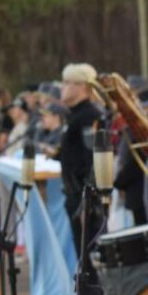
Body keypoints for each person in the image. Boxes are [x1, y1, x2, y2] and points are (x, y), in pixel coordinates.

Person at [59, 63, 105, 254]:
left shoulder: (88, 116)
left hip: (84, 197)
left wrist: (89, 203)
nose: (63, 88)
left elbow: (93, 161)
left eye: (68, 83)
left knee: (89, 255)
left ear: (83, 87)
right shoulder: (74, 115)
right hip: (73, 194)